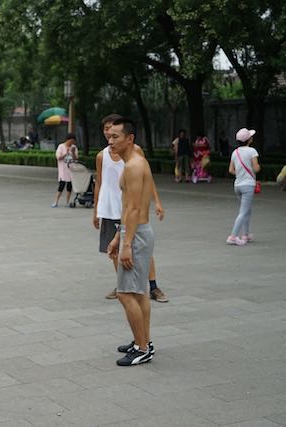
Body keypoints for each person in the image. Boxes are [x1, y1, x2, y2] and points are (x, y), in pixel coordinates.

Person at [93, 114, 168, 302]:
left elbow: (147, 178)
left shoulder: (135, 153)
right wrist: (96, 211)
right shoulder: (102, 156)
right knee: (113, 251)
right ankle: (122, 283)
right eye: (106, 130)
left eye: (113, 131)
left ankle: (153, 286)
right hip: (110, 208)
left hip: (130, 209)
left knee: (140, 248)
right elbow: (99, 183)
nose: (109, 134)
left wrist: (157, 201)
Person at [106, 117, 156, 366]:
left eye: (115, 136)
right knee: (138, 292)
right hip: (134, 232)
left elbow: (134, 208)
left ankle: (142, 348)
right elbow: (128, 207)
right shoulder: (133, 162)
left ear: (130, 139)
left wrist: (126, 244)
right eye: (109, 136)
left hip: (136, 235)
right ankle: (142, 341)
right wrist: (118, 235)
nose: (110, 141)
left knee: (125, 294)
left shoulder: (134, 165)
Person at [227, 128, 260, 246]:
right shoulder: (252, 151)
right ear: (249, 140)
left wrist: (241, 173)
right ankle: (233, 236)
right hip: (248, 185)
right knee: (243, 212)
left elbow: (231, 170)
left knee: (247, 211)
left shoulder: (235, 152)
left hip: (237, 185)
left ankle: (245, 235)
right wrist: (256, 168)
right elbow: (256, 168)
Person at [51, 133, 78, 208]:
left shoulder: (74, 147)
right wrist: (66, 153)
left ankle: (67, 202)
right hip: (63, 171)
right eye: (71, 141)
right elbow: (58, 157)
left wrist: (73, 152)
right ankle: (56, 201)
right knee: (61, 186)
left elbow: (76, 158)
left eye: (73, 141)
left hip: (71, 170)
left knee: (69, 187)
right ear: (67, 140)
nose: (72, 143)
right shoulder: (61, 146)